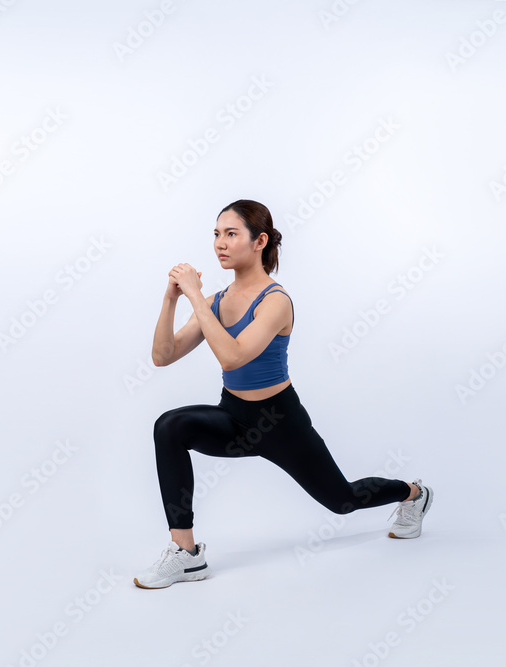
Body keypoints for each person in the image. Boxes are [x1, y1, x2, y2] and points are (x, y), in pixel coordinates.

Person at [134, 199, 432, 589]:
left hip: (280, 422)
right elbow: (162, 356)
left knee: (341, 500)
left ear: (259, 241)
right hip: (235, 417)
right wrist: (172, 298)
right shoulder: (216, 302)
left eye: (231, 234)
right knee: (169, 427)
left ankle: (413, 494)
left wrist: (193, 295)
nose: (220, 243)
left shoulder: (275, 301)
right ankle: (186, 555)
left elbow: (232, 356)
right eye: (216, 234)